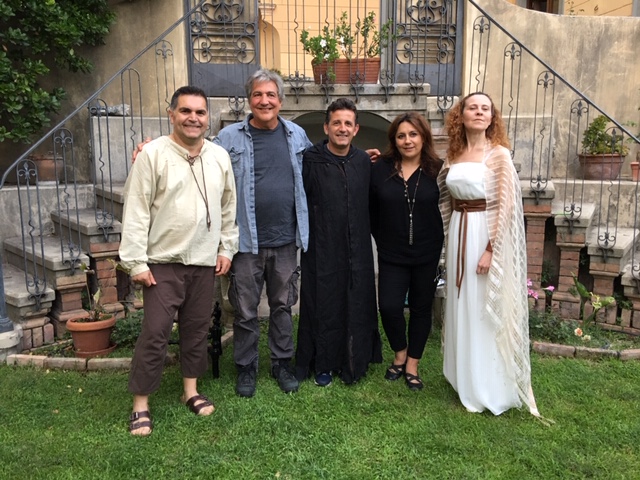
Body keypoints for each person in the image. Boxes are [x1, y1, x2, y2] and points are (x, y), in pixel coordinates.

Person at [119, 86, 239, 436]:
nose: (193, 118)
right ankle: (140, 404)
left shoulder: (219, 157)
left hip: (203, 262)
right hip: (161, 262)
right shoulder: (153, 154)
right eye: (185, 111)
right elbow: (137, 210)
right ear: (171, 114)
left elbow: (229, 208)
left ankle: (191, 390)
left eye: (200, 112)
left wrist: (226, 248)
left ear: (207, 118)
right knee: (155, 332)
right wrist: (136, 262)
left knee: (196, 330)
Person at [438, 92, 542, 416]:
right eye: (473, 108)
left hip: (484, 233)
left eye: (486, 108)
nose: (480, 112)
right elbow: (445, 195)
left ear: (492, 117)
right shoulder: (454, 154)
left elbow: (507, 205)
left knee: (483, 307)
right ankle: (464, 379)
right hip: (459, 230)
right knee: (461, 304)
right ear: (462, 115)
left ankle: (489, 386)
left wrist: (490, 250)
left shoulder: (498, 154)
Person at [213, 69, 312, 398]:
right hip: (245, 243)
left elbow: (321, 166)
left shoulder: (297, 135)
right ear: (249, 99)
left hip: (285, 241)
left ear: (280, 101)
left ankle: (282, 363)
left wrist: (367, 160)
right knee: (244, 309)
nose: (264, 100)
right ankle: (246, 367)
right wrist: (150, 147)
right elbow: (195, 158)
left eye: (271, 95)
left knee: (283, 306)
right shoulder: (228, 139)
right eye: (258, 94)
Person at [295, 98, 382, 387]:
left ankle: (355, 359)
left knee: (356, 302)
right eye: (336, 123)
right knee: (323, 304)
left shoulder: (363, 162)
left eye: (348, 123)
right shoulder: (311, 159)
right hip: (322, 248)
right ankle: (323, 363)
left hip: (357, 249)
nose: (342, 128)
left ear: (356, 129)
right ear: (326, 127)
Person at [369, 112, 444, 391]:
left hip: (427, 253)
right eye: (401, 135)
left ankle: (412, 363)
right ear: (394, 139)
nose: (407, 140)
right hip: (392, 254)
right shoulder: (380, 169)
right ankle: (399, 353)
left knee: (421, 308)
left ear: (423, 136)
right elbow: (370, 209)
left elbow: (447, 209)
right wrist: (383, 238)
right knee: (388, 306)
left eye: (413, 134)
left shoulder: (438, 169)